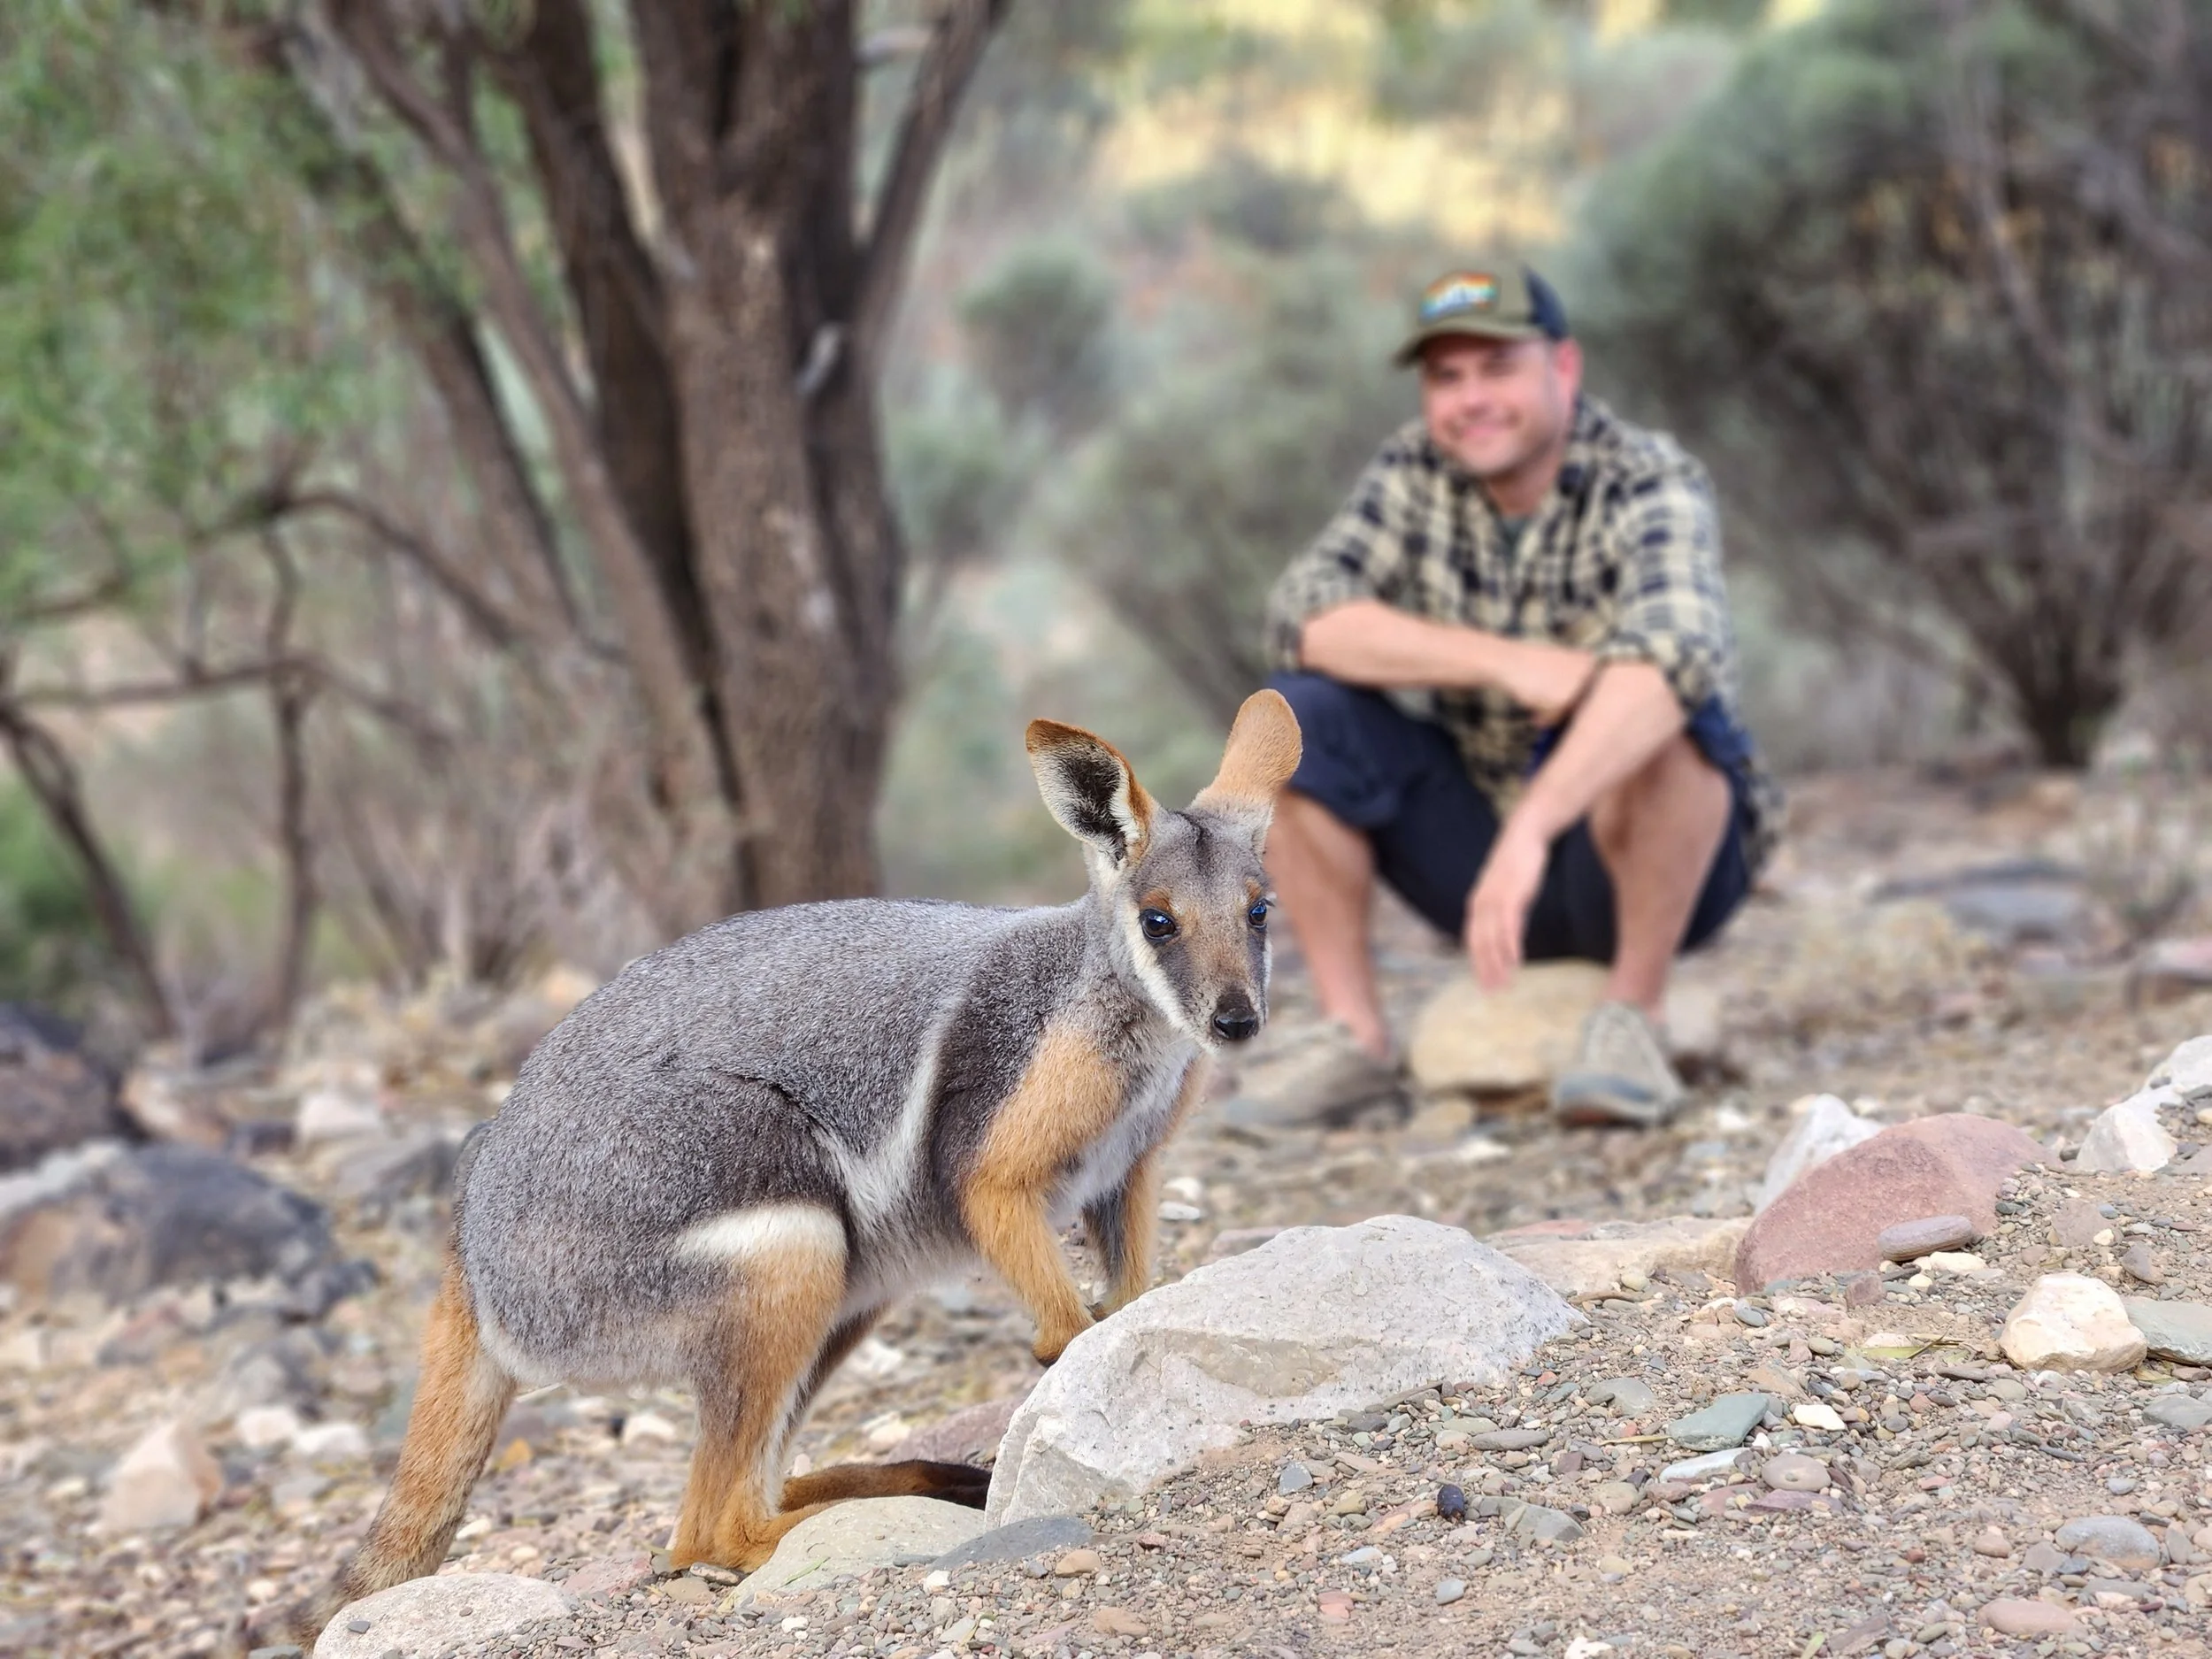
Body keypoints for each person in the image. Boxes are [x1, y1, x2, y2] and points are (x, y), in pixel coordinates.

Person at [1259, 261, 1780, 1128]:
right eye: (1446, 378)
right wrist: (1505, 663)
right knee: (1296, 719)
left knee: (1657, 714)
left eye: (1497, 368)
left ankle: (1633, 1019)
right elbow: (1301, 616)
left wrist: (1533, 828)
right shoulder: (1414, 474)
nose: (1471, 400)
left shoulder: (1647, 478)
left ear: (1563, 369)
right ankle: (1354, 1040)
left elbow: (1678, 656)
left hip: (1656, 858)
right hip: (1486, 859)